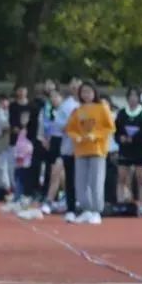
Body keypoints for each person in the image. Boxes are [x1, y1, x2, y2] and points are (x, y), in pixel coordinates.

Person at [66, 81, 115, 225]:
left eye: (89, 91)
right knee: (81, 181)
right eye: (84, 92)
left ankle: (96, 211)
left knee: (96, 180)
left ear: (94, 93)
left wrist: (96, 136)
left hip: (97, 149)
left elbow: (110, 128)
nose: (86, 94)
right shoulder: (77, 110)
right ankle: (85, 209)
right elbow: (71, 129)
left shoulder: (102, 108)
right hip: (81, 150)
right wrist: (77, 137)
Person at [115, 87, 142, 216]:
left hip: (140, 150)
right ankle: (120, 203)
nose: (132, 98)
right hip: (125, 150)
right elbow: (117, 131)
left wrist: (134, 139)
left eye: (135, 96)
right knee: (122, 177)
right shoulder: (121, 113)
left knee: (141, 178)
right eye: (130, 96)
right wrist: (121, 138)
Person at [56, 77, 82, 223]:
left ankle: (85, 207)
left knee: (85, 180)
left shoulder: (90, 105)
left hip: (87, 148)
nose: (77, 90)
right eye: (74, 87)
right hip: (70, 147)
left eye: (79, 87)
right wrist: (72, 127)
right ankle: (71, 208)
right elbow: (59, 125)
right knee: (71, 179)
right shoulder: (66, 105)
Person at [39, 89, 64, 215]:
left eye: (56, 96)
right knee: (56, 174)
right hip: (53, 142)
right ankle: (54, 199)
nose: (53, 99)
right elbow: (45, 127)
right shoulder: (48, 111)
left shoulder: (66, 111)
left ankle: (50, 200)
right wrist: (45, 139)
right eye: (51, 97)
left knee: (58, 173)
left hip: (65, 143)